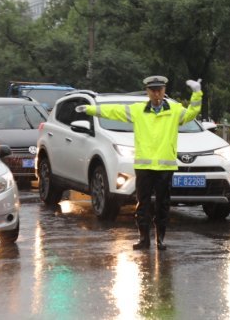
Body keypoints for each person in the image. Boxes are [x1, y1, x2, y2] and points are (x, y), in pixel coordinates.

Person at [75, 75, 203, 251]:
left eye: (160, 90)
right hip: (144, 167)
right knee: (142, 204)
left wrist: (197, 94)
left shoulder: (174, 110)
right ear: (148, 92)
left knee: (163, 204)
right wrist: (90, 110)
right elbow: (114, 111)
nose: (157, 93)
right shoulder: (138, 110)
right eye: (153, 90)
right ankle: (144, 238)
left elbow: (192, 114)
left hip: (165, 167)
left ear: (164, 91)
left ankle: (160, 239)